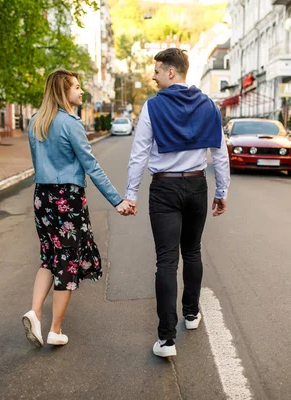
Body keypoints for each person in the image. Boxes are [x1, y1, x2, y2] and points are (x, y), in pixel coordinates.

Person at [124, 48, 230, 357]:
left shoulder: (153, 107)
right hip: (197, 185)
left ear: (172, 72)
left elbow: (139, 153)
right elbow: (219, 153)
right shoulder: (209, 106)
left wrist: (131, 194)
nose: (153, 76)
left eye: (156, 71)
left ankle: (167, 340)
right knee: (193, 251)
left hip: (165, 189)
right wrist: (222, 191)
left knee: (166, 261)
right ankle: (192, 314)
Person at [23, 69, 133, 347]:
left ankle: (35, 313)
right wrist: (117, 200)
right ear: (63, 91)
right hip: (66, 198)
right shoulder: (71, 123)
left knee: (49, 256)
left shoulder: (35, 122)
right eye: (76, 87)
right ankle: (55, 330)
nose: (81, 91)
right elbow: (91, 166)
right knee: (67, 261)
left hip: (41, 197)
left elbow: (38, 165)